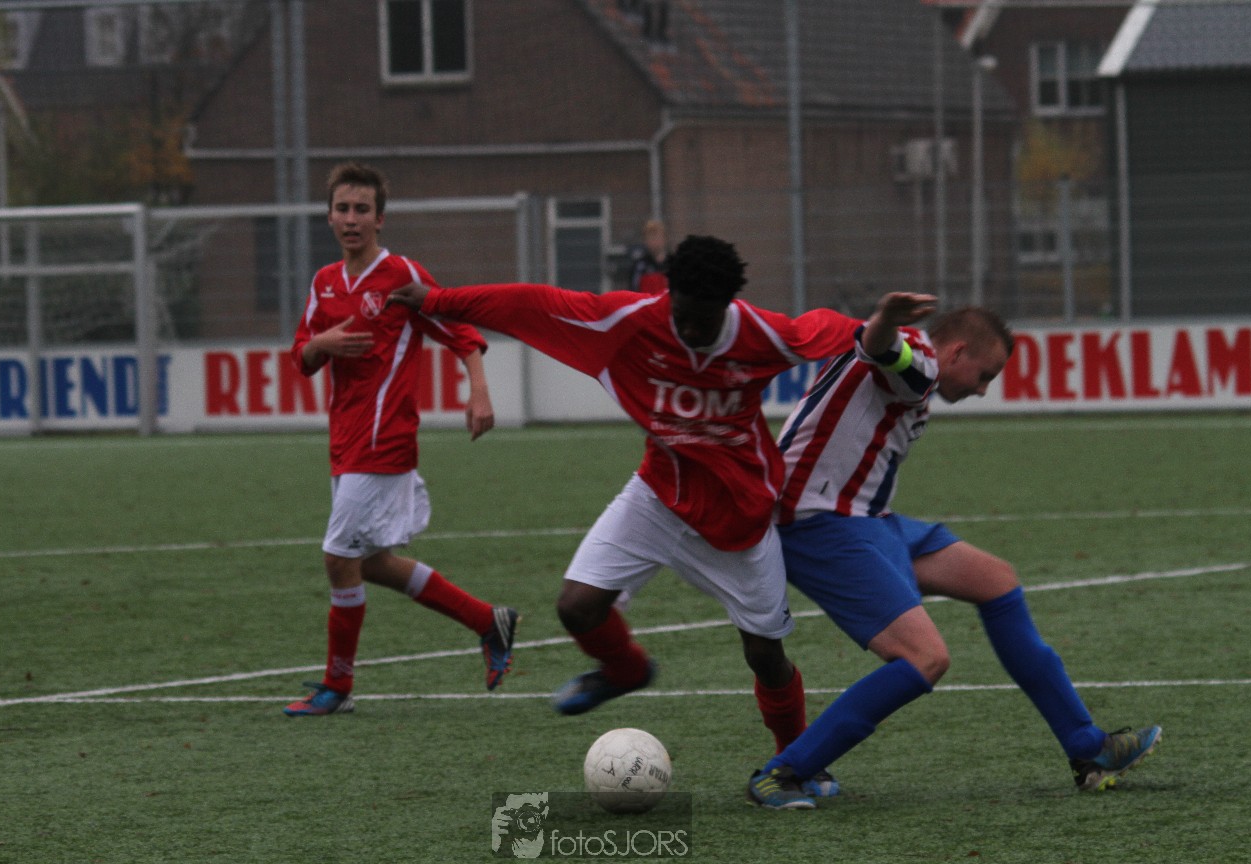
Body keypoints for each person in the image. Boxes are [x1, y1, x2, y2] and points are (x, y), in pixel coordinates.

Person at [387, 235, 858, 770]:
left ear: (727, 306)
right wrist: (438, 300)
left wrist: (898, 338)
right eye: (683, 316)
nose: (692, 332)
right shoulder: (629, 321)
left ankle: (795, 767)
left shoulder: (761, 334)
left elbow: (839, 331)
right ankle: (627, 670)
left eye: (705, 321)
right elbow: (530, 304)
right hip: (658, 496)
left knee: (765, 655)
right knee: (577, 606)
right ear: (669, 295)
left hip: (738, 518)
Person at [746, 292, 1162, 808]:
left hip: (870, 519)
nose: (983, 390)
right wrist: (885, 320)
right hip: (817, 523)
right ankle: (783, 773)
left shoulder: (916, 370)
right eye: (984, 375)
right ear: (957, 351)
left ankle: (1087, 747)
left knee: (995, 580)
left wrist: (883, 328)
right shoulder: (919, 358)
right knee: (926, 658)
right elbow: (881, 348)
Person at [282, 161, 518, 716]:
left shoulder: (401, 275)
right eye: (342, 208)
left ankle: (337, 686)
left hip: (384, 440)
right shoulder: (324, 282)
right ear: (329, 216)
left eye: (362, 209)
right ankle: (489, 621)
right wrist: (323, 343)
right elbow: (302, 357)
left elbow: (459, 329)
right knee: (369, 562)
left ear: (380, 219)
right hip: (345, 443)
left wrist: (479, 391)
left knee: (338, 558)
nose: (351, 219)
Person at [627, 219, 670, 294]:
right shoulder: (640, 266)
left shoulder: (673, 263)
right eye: (651, 238)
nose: (655, 242)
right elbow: (633, 289)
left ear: (664, 239)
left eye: (657, 237)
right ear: (645, 241)